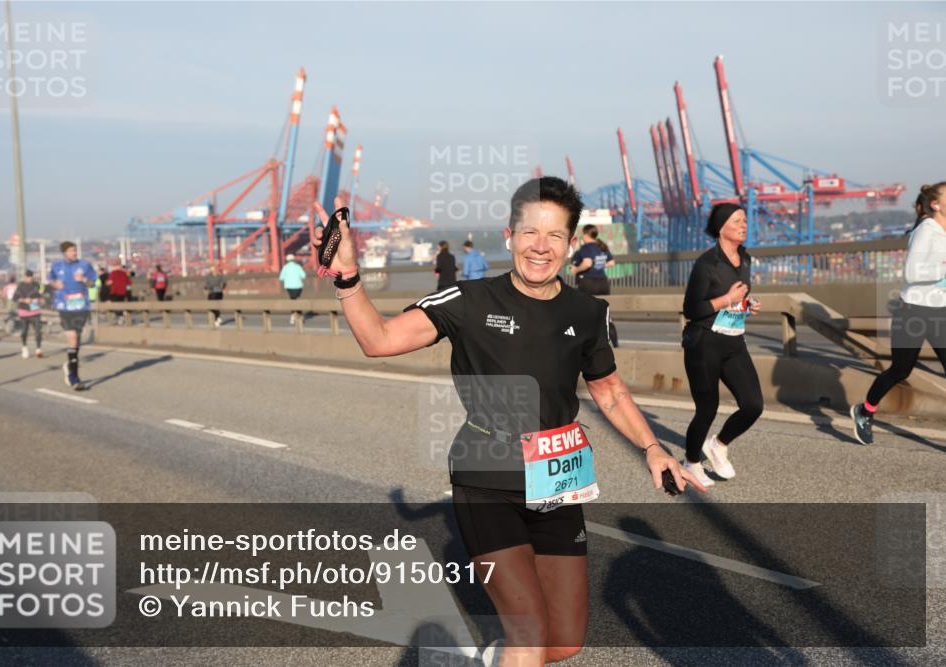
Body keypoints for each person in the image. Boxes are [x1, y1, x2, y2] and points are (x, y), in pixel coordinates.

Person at [313, 177, 706, 665]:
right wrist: (348, 277)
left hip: (557, 481)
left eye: (554, 236)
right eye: (529, 234)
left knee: (564, 642)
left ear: (570, 243)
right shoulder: (467, 301)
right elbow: (379, 339)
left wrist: (653, 448)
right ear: (509, 235)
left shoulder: (589, 313)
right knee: (531, 635)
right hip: (487, 479)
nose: (540, 247)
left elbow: (609, 391)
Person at [851, 182, 946, 445]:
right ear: (935, 205)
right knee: (901, 370)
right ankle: (865, 410)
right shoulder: (926, 231)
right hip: (913, 311)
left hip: (940, 312)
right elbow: (911, 274)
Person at [680, 203, 764, 488]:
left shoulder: (746, 259)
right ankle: (690, 462)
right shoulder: (707, 264)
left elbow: (737, 296)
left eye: (744, 220)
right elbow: (692, 308)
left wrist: (746, 304)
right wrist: (728, 299)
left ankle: (718, 444)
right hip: (704, 342)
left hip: (734, 340)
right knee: (707, 409)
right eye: (737, 221)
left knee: (753, 405)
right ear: (721, 227)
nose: (744, 225)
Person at [47, 241, 96, 390]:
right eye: (71, 251)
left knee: (77, 341)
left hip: (81, 307)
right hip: (65, 307)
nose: (74, 253)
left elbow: (93, 283)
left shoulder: (85, 265)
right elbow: (51, 280)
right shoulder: (57, 266)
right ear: (64, 253)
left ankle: (70, 365)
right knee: (72, 337)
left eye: (75, 250)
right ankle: (74, 378)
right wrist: (56, 284)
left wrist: (84, 280)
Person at [570, 225, 619, 347]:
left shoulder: (585, 248)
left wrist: (576, 270)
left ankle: (583, 344)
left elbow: (587, 263)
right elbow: (612, 263)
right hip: (603, 283)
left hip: (588, 283)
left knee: (583, 313)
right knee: (605, 314)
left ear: (586, 235)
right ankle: (615, 343)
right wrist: (599, 267)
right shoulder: (601, 246)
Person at [14, 270, 45, 358]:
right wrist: (24, 300)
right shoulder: (20, 286)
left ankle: (38, 349)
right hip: (24, 312)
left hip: (35, 311)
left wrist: (41, 299)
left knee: (38, 331)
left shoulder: (36, 285)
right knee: (24, 331)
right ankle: (24, 347)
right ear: (25, 277)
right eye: (28, 276)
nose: (29, 278)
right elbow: (15, 298)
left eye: (31, 276)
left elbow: (41, 294)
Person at [279, 253, 307, 325]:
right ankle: (300, 316)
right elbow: (303, 276)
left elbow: (281, 278)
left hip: (289, 287)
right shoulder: (298, 266)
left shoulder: (285, 267)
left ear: (287, 260)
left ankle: (293, 317)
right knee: (296, 300)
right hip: (298, 286)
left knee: (293, 301)